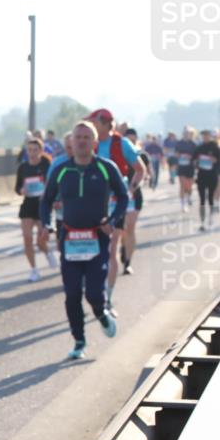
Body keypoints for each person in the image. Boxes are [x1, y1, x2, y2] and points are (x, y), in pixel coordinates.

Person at [41, 121, 127, 360]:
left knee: (93, 294)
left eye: (86, 137)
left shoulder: (106, 168)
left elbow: (122, 196)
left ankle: (100, 313)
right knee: (71, 295)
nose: (81, 141)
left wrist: (112, 219)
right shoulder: (61, 169)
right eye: (77, 137)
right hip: (69, 239)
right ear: (71, 142)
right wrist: (46, 224)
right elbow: (46, 200)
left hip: (97, 239)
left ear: (94, 142)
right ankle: (79, 341)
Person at [85, 108, 145, 312]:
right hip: (92, 205)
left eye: (94, 122)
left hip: (114, 204)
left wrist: (129, 190)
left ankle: (107, 298)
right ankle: (95, 290)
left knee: (111, 250)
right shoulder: (88, 144)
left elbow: (140, 169)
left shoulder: (121, 143)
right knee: (91, 253)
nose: (91, 126)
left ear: (104, 123)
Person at [15, 136, 57, 281]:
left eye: (35, 150)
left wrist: (47, 191)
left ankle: (47, 252)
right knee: (27, 239)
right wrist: (22, 191)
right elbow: (17, 188)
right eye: (29, 150)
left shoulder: (47, 165)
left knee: (41, 240)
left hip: (42, 205)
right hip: (27, 205)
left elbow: (53, 184)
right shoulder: (23, 167)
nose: (32, 153)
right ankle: (34, 270)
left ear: (41, 150)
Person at [193, 129, 220, 231]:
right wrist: (196, 162)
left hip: (212, 176)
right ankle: (202, 222)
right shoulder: (199, 148)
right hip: (201, 176)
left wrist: (215, 160)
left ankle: (211, 218)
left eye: (207, 135)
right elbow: (193, 159)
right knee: (202, 200)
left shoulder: (215, 147)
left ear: (210, 136)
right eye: (203, 135)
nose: (205, 137)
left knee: (210, 199)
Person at [175, 127, 198, 212]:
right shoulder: (179, 143)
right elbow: (176, 153)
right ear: (183, 134)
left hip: (190, 167)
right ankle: (183, 204)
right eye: (185, 133)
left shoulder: (194, 144)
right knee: (182, 185)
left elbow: (196, 156)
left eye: (189, 133)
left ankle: (189, 197)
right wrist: (180, 156)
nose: (187, 134)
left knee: (189, 186)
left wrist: (191, 157)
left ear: (191, 134)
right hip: (181, 166)